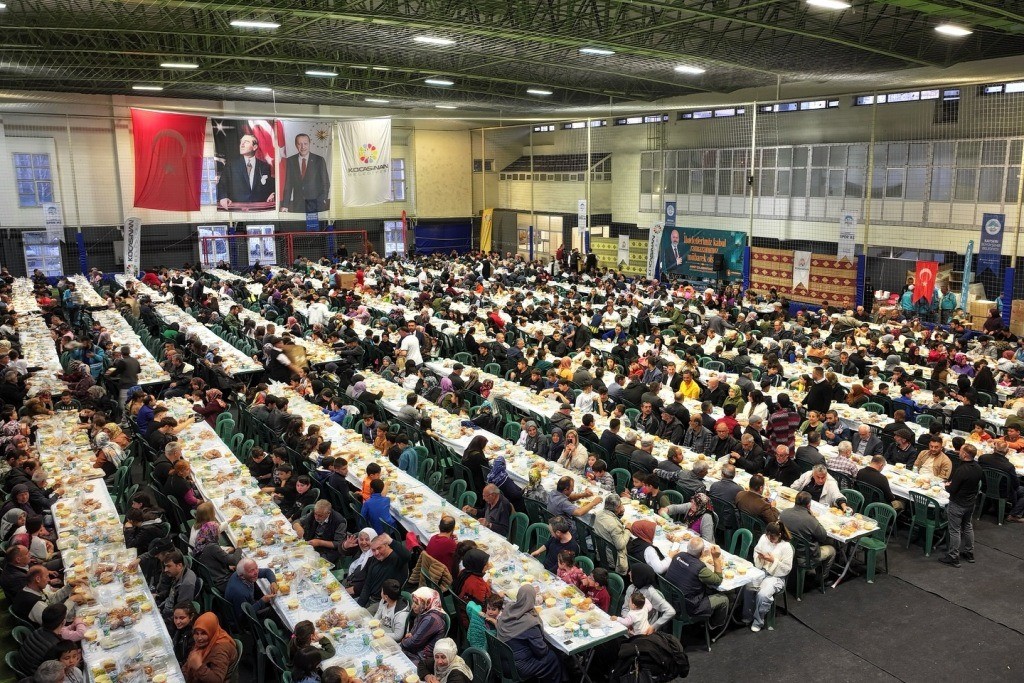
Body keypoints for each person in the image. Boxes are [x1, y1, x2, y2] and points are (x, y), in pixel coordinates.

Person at [496, 584, 563, 682]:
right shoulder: (530, 623)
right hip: (518, 667)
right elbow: (541, 651)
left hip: (501, 660)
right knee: (553, 656)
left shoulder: (508, 609)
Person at [664, 536, 728, 628]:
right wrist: (716, 558)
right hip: (687, 607)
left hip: (669, 599)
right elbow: (718, 580)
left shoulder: (678, 556)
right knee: (724, 599)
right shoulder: (700, 568)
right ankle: (715, 626)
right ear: (702, 553)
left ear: (687, 547)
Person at [740, 522, 793, 632]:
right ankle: (748, 615)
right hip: (761, 570)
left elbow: (787, 569)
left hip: (776, 576)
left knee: (763, 594)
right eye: (768, 536)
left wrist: (773, 560)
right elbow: (756, 551)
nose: (769, 539)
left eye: (772, 537)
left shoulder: (786, 547)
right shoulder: (764, 538)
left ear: (779, 534)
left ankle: (758, 620)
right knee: (748, 586)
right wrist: (760, 557)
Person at [940, 443, 983, 567]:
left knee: (955, 530)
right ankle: (969, 553)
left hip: (958, 503)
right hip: (970, 503)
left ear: (964, 454)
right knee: (968, 527)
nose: (958, 452)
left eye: (961, 451)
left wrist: (947, 486)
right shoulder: (978, 467)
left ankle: (953, 556)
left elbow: (952, 489)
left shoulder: (961, 470)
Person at [779, 491, 835, 581]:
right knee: (832, 550)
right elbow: (823, 536)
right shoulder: (810, 520)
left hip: (787, 551)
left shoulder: (784, 513)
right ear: (809, 505)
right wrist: (813, 517)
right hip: (805, 557)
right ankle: (821, 578)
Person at [217, 133, 275, 209]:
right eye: (241, 142)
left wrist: (273, 193)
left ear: (255, 147)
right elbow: (222, 185)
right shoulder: (231, 165)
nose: (242, 145)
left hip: (258, 210)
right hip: (237, 209)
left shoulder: (264, 166)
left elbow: (269, 186)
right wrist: (223, 198)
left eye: (246, 142)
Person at [401, 587, 447, 675]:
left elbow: (414, 642)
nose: (413, 606)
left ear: (426, 603)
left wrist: (403, 641)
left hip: (423, 659)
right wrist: (411, 636)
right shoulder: (424, 611)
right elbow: (413, 634)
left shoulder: (431, 619)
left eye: (416, 603)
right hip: (416, 651)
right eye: (413, 602)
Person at [281, 132, 330, 212]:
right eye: (299, 144)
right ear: (296, 145)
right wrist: (285, 205)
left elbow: (325, 183)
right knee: (300, 225)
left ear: (309, 144)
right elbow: (288, 185)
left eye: (305, 143)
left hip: (316, 205)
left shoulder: (319, 160)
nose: (303, 147)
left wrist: (323, 200)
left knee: (315, 225)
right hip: (298, 205)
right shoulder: (291, 161)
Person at [182, 612, 238, 683]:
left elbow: (217, 680)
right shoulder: (204, 643)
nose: (199, 638)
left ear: (211, 630)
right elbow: (187, 665)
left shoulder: (221, 649)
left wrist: (199, 667)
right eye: (196, 633)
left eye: (203, 633)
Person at [295, 500, 348, 565]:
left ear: (328, 513)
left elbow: (338, 543)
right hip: (312, 542)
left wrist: (320, 542)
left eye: (320, 516)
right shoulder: (315, 513)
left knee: (311, 564)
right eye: (315, 514)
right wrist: (298, 528)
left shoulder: (339, 522)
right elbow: (297, 522)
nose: (316, 517)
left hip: (327, 550)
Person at [593, 493, 631, 573]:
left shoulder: (599, 514)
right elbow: (620, 545)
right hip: (613, 558)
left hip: (601, 551)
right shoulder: (613, 525)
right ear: (617, 508)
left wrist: (621, 513)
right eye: (620, 505)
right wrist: (628, 529)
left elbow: (613, 517)